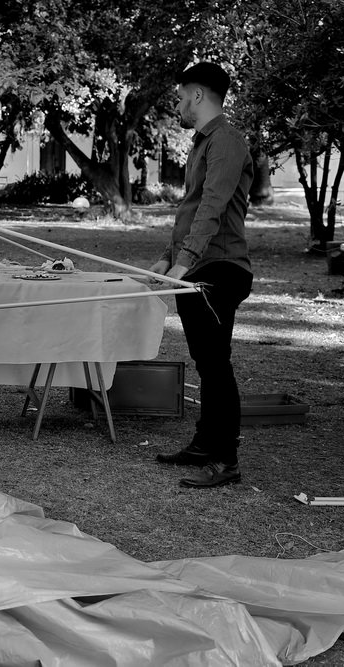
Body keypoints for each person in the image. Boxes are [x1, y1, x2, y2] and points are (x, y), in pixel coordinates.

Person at [149, 62, 254, 488]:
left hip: (220, 268)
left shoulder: (226, 142)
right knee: (206, 364)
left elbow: (212, 208)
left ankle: (225, 460)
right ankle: (205, 444)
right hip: (199, 266)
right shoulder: (201, 144)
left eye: (180, 95)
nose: (177, 103)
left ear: (197, 95)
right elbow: (191, 210)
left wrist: (182, 263)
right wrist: (166, 257)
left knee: (215, 364)